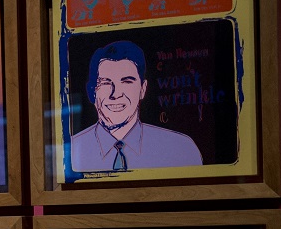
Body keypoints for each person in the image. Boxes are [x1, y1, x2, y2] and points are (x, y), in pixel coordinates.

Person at [70, 40, 202, 172]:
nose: (116, 94)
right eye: (105, 83)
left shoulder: (182, 150)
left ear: (142, 89)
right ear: (91, 91)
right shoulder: (68, 153)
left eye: (127, 82)